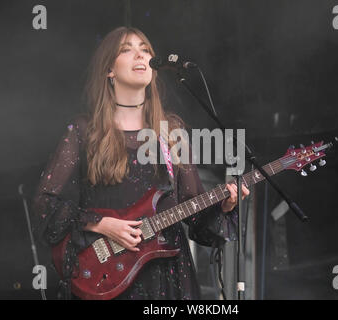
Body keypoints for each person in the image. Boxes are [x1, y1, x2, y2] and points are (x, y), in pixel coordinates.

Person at [31, 26, 249, 300]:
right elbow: (44, 205)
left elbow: (194, 214)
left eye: (145, 50)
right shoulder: (84, 131)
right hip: (107, 275)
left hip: (168, 278)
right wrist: (100, 223)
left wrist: (225, 207)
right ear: (109, 70)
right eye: (127, 49)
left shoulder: (171, 131)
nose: (140, 55)